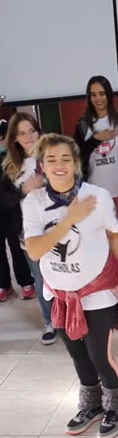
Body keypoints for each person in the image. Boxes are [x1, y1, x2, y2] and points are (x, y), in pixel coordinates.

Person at [23, 133, 118, 438]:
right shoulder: (33, 202)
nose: (59, 165)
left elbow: (114, 234)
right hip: (59, 293)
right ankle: (92, 404)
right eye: (51, 160)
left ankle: (114, 403)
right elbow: (34, 250)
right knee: (77, 353)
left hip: (96, 291)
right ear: (42, 166)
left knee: (99, 354)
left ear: (76, 163)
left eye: (65, 159)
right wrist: (69, 219)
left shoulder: (96, 195)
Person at [73, 76, 118, 294]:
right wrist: (95, 139)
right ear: (88, 98)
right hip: (96, 194)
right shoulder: (82, 126)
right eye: (93, 94)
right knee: (102, 237)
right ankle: (109, 278)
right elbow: (76, 157)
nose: (98, 98)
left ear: (108, 95)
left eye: (102, 93)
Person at [2, 113, 55, 343]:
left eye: (31, 130)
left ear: (38, 131)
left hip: (58, 227)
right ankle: (50, 321)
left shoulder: (52, 154)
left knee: (65, 275)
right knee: (41, 279)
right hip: (29, 232)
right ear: (14, 138)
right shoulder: (9, 166)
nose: (28, 137)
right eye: (21, 133)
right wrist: (23, 189)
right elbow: (4, 202)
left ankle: (74, 318)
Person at [0, 119, 34, 303]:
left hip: (13, 209)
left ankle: (26, 283)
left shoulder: (15, 158)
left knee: (16, 246)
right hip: (5, 206)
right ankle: (3, 284)